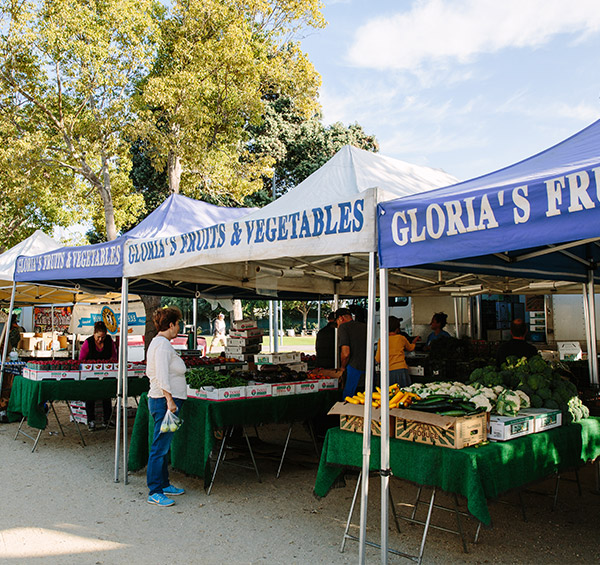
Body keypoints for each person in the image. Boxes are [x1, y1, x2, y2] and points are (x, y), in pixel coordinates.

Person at [146, 306, 187, 507]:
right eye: (177, 324)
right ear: (170, 325)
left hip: (164, 401)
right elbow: (161, 375)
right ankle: (154, 490)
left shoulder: (161, 344)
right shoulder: (162, 345)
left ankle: (163, 484)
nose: (179, 327)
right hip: (164, 403)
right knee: (159, 447)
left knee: (163, 445)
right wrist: (170, 400)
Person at [79, 321, 117, 431]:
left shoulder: (109, 341)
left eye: (103, 337)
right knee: (90, 396)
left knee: (107, 396)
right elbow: (81, 360)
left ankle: (107, 420)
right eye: (98, 337)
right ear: (94, 334)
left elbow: (114, 357)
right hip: (90, 375)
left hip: (106, 374)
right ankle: (91, 421)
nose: (100, 339)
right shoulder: (88, 343)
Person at [375, 316, 420, 387]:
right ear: (397, 328)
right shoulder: (401, 338)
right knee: (403, 394)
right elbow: (410, 348)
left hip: (388, 372)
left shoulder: (382, 340)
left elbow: (378, 359)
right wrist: (414, 342)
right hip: (401, 370)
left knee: (391, 396)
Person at [336, 307, 367, 397]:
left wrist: (342, 367)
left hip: (354, 369)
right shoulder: (365, 326)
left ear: (341, 318)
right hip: (368, 369)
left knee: (349, 399)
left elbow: (346, 353)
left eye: (337, 321)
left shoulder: (343, 327)